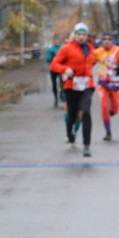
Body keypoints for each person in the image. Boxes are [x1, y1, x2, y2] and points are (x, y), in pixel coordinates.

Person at [50, 22, 97, 157]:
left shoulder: (90, 49)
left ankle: (86, 145)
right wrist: (65, 69)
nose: (81, 37)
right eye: (79, 34)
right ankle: (69, 131)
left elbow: (91, 63)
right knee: (71, 114)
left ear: (86, 36)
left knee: (86, 112)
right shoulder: (66, 49)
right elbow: (54, 64)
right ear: (74, 35)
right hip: (72, 86)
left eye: (83, 35)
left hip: (87, 85)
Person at [93, 33, 119, 142]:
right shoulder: (97, 52)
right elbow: (89, 63)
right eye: (104, 39)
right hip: (103, 83)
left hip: (115, 84)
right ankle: (108, 131)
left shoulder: (118, 51)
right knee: (104, 106)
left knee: (115, 109)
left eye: (109, 39)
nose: (106, 41)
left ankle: (113, 112)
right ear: (101, 41)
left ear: (112, 41)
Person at [45, 36, 63, 107]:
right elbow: (47, 59)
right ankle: (56, 98)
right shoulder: (51, 49)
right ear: (53, 41)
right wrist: (52, 56)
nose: (56, 41)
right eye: (55, 40)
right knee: (54, 84)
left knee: (61, 83)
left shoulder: (62, 48)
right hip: (53, 69)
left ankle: (61, 94)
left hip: (61, 69)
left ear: (59, 40)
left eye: (57, 40)